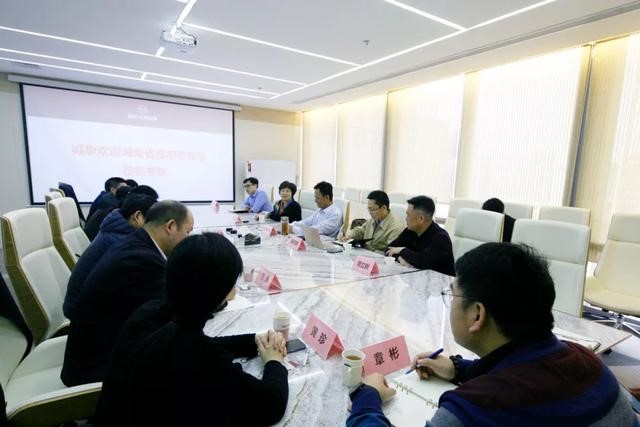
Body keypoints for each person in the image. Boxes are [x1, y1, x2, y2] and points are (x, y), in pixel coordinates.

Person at [347, 243, 638, 427]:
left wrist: (367, 397)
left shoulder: (475, 408)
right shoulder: (590, 361)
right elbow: (527, 370)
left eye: (452, 294)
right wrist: (461, 369)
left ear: (477, 315)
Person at [94, 233, 289, 426]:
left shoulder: (153, 313)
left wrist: (254, 340)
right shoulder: (198, 355)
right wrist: (274, 361)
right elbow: (270, 405)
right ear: (216, 293)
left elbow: (199, 344)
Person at [61, 200, 193, 386]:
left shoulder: (135, 244)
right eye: (188, 232)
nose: (189, 239)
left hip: (99, 349)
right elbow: (177, 311)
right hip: (97, 369)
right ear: (170, 226)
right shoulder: (141, 259)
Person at [63, 193, 158, 320]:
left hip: (83, 306)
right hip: (86, 316)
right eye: (154, 222)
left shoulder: (116, 230)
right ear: (137, 216)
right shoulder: (124, 242)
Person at [386, 196, 454, 275]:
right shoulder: (410, 231)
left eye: (408, 215)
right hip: (416, 277)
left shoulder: (441, 237)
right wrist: (400, 258)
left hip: (439, 281)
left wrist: (402, 250)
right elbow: (388, 249)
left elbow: (423, 261)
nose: (406, 218)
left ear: (421, 219)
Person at [339, 190, 404, 252]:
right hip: (366, 255)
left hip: (379, 258)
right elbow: (360, 231)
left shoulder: (395, 227)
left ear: (383, 208)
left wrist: (372, 250)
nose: (369, 212)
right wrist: (348, 235)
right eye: (369, 209)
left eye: (372, 209)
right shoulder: (373, 219)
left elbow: (390, 252)